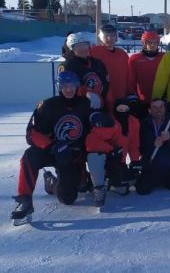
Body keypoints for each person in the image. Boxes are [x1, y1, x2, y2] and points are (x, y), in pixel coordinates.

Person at [11, 71, 92, 225]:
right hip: (52, 151)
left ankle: (52, 182)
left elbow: (94, 130)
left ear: (77, 87)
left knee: (68, 198)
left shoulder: (85, 104)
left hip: (72, 156)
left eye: (71, 86)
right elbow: (31, 134)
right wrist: (52, 146)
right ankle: (25, 199)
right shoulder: (47, 105)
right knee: (30, 155)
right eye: (64, 86)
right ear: (59, 87)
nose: (68, 89)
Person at [84, 99, 141, 208]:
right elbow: (90, 141)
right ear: (115, 110)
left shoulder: (134, 122)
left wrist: (135, 161)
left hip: (119, 161)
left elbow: (134, 144)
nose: (123, 112)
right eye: (120, 109)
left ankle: (110, 182)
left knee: (123, 189)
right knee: (94, 156)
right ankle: (99, 188)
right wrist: (110, 150)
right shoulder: (109, 122)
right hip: (106, 158)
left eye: (126, 109)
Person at [135, 98, 170, 195]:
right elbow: (141, 148)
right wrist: (153, 143)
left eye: (161, 106)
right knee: (142, 190)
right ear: (149, 110)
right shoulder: (144, 124)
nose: (158, 109)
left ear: (165, 108)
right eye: (155, 107)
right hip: (152, 166)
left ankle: (166, 180)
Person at [59, 32, 112, 110]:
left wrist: (104, 101)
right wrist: (85, 92)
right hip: (79, 109)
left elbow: (106, 84)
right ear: (72, 48)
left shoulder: (98, 63)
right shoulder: (67, 66)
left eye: (85, 45)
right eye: (78, 46)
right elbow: (65, 90)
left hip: (100, 106)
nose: (83, 48)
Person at [128, 30, 164, 118]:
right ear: (144, 43)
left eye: (155, 42)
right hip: (142, 99)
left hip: (160, 99)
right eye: (149, 42)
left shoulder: (164, 57)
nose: (152, 45)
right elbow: (131, 80)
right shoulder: (135, 59)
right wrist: (132, 95)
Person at [90, 24, 130, 103]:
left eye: (112, 35)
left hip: (120, 94)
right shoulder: (94, 52)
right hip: (102, 95)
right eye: (106, 36)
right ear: (101, 37)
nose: (109, 38)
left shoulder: (122, 54)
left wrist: (130, 92)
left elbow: (128, 75)